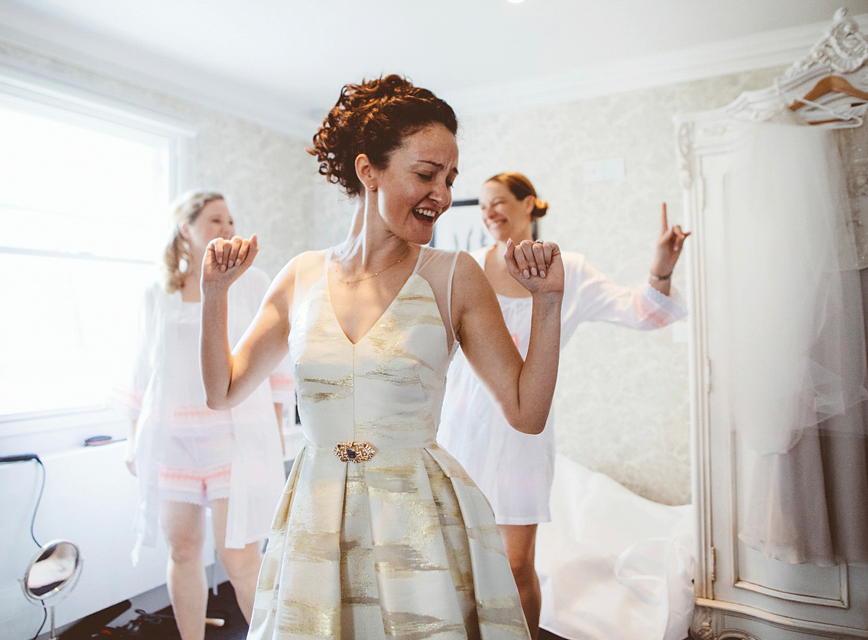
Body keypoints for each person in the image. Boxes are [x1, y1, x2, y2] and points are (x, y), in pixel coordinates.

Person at [199, 75, 565, 639]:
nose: (442, 195)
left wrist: (547, 303)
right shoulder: (302, 275)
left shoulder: (453, 277)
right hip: (317, 517)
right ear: (368, 171)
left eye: (449, 178)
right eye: (426, 174)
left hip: (416, 519)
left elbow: (526, 412)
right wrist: (215, 295)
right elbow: (221, 390)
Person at [436, 171, 690, 637]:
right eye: (484, 205)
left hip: (522, 437)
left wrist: (661, 269)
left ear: (529, 203)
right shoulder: (465, 266)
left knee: (514, 565)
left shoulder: (567, 270)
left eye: (499, 201)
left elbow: (643, 312)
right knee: (459, 561)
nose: (490, 211)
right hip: (460, 430)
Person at [119, 191, 288, 640]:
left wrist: (275, 438)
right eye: (215, 220)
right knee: (183, 549)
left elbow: (275, 368)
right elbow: (141, 373)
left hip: (234, 442)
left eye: (231, 220)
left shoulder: (254, 283)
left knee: (240, 559)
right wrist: (134, 439)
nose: (228, 228)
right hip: (172, 442)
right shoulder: (158, 293)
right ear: (185, 229)